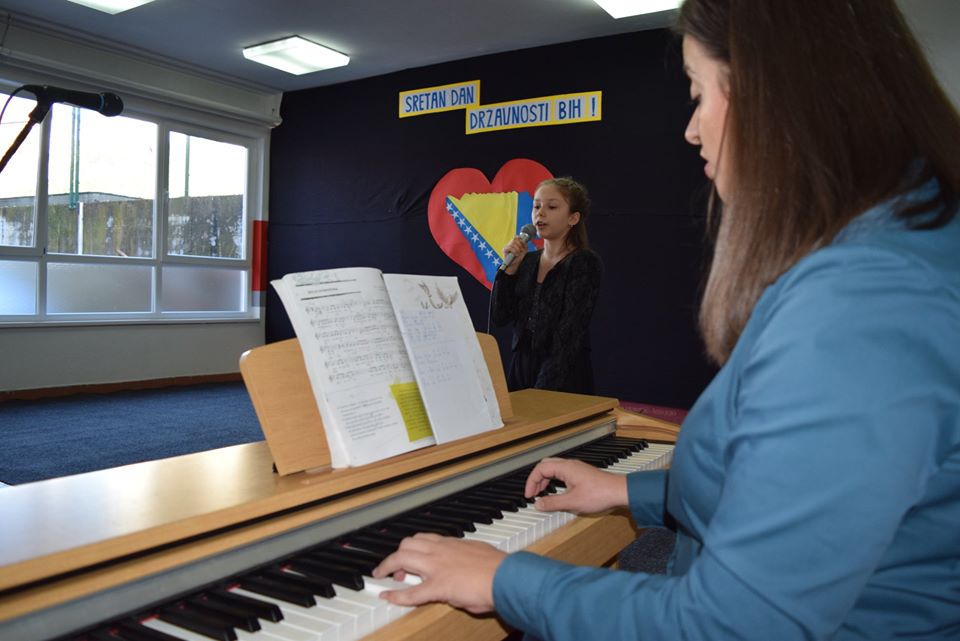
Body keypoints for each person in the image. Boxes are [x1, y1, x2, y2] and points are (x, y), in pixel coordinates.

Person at [372, 0, 960, 638]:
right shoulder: (897, 249)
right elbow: (789, 489)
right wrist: (627, 493)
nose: (692, 130)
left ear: (775, 92)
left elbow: (731, 625)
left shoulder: (864, 300)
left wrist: (502, 579)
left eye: (699, 93)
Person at [490, 176, 603, 394]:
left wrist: (542, 392)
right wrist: (509, 272)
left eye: (551, 207)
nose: (540, 213)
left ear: (573, 218)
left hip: (564, 372)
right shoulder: (528, 261)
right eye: (536, 206)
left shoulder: (584, 263)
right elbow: (500, 316)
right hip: (522, 367)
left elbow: (569, 334)